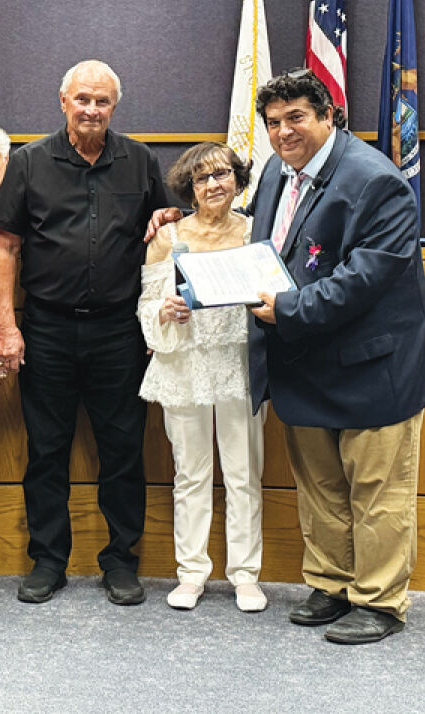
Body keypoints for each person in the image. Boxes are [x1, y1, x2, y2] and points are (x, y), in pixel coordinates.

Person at [151, 69, 425, 643]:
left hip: (373, 367)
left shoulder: (375, 180)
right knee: (322, 487)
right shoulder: (279, 175)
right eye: (274, 122)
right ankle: (331, 584)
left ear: (329, 115)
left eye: (296, 118)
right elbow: (262, 248)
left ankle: (379, 601)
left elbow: (366, 278)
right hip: (307, 363)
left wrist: (288, 309)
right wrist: (170, 218)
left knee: (376, 494)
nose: (284, 132)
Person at [0, 60, 170, 607]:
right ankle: (48, 561)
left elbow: (166, 232)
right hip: (46, 329)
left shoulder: (140, 161)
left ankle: (121, 561)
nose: (92, 109)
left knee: (123, 451)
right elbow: (6, 248)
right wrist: (6, 327)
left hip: (119, 331)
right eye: (83, 99)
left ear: (115, 107)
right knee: (46, 450)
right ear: (63, 101)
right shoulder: (28, 162)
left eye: (103, 101)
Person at [138, 142, 267, 612]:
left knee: (243, 472)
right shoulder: (168, 235)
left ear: (238, 179)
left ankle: (245, 575)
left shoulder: (258, 231)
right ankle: (191, 572)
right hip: (185, 363)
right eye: (202, 178)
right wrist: (163, 310)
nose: (213, 185)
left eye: (222, 176)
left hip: (238, 362)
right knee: (189, 474)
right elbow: (147, 304)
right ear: (189, 187)